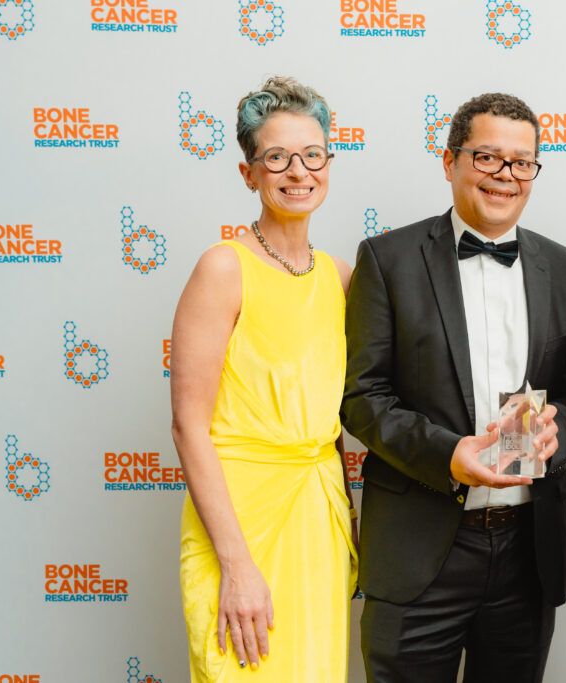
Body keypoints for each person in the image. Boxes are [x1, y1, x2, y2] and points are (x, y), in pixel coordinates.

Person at [341, 92, 566, 682]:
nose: (505, 176)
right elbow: (363, 398)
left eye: (522, 163)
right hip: (419, 551)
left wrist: (555, 436)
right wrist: (450, 454)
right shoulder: (387, 259)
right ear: (450, 162)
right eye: (488, 158)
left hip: (528, 553)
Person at [170, 76, 357, 682]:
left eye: (312, 155)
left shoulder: (342, 277)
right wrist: (236, 565)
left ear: (329, 163)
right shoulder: (223, 267)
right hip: (240, 521)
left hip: (318, 514)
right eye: (276, 157)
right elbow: (188, 425)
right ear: (250, 172)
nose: (297, 171)